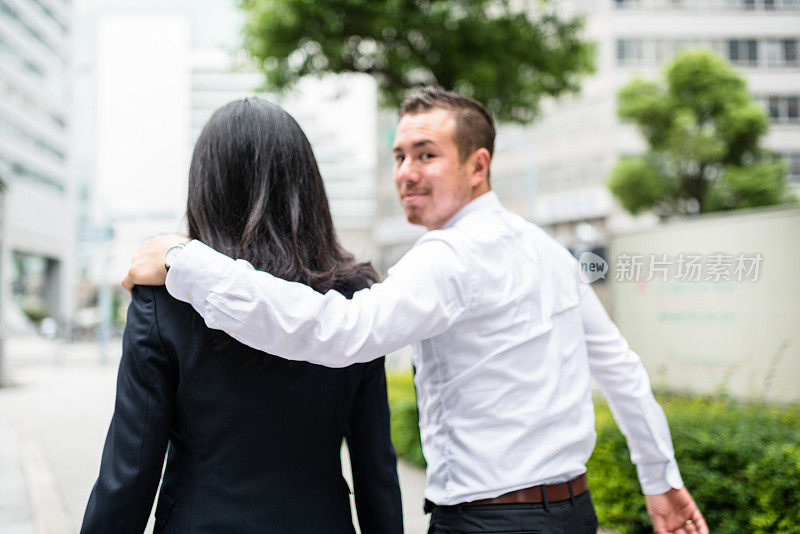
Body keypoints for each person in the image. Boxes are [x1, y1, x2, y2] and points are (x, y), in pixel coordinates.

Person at [123, 87, 708, 534]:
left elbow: (341, 330)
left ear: (478, 166)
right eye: (399, 155)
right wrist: (661, 481)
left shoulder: (446, 259)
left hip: (488, 523)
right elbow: (622, 370)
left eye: (426, 155)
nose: (406, 173)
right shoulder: (549, 253)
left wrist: (187, 262)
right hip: (575, 513)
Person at [83, 98, 403, 534]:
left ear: (205, 187)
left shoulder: (168, 298)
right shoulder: (354, 297)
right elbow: (377, 472)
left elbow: (130, 471)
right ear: (307, 187)